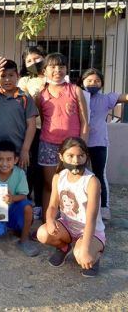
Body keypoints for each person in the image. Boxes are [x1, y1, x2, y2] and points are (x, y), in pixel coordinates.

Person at [36, 137, 105, 277]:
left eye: (81, 156)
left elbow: (91, 219)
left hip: (90, 231)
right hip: (67, 226)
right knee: (42, 233)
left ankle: (95, 255)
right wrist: (49, 220)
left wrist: (85, 248)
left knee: (80, 255)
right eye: (70, 156)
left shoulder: (92, 182)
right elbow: (53, 206)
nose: (76, 161)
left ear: (86, 157)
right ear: (61, 156)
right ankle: (63, 247)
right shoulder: (58, 177)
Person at [37, 53, 89, 223]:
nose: (57, 70)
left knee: (73, 187)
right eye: (52, 67)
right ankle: (48, 222)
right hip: (48, 145)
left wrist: (82, 147)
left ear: (66, 69)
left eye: (61, 66)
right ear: (44, 70)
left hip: (72, 147)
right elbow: (44, 120)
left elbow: (84, 121)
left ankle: (74, 223)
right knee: (49, 186)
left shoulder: (75, 90)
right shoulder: (41, 94)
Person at [0, 140, 40, 257]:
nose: (4, 163)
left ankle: (24, 240)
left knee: (27, 206)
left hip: (13, 209)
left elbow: (24, 195)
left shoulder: (20, 173)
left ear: (15, 160)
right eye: (0, 159)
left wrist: (13, 198)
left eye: (9, 159)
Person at [81, 68, 128, 220]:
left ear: (101, 83)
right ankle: (82, 205)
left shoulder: (107, 99)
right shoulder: (78, 96)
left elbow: (125, 97)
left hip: (99, 143)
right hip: (80, 142)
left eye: (97, 81)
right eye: (89, 80)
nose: (93, 83)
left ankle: (104, 207)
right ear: (82, 82)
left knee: (99, 174)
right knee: (80, 174)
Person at [17, 46, 46, 218]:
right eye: (29, 61)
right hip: (31, 130)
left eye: (37, 59)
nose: (33, 63)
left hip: (50, 131)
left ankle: (42, 203)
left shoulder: (55, 79)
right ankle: (28, 201)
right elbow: (24, 103)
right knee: (30, 168)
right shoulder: (24, 81)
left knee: (44, 169)